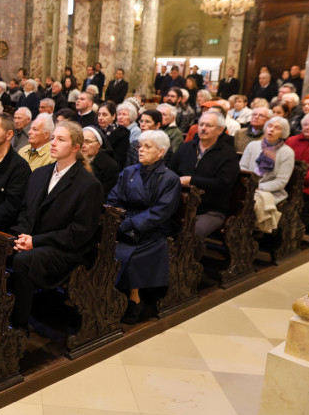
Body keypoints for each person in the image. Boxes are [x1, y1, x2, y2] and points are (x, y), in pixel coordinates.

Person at [9, 120, 104, 329]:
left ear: (76, 147)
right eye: (53, 138)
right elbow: (26, 211)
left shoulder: (88, 185)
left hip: (66, 250)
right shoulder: (40, 174)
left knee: (23, 261)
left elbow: (79, 232)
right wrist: (21, 236)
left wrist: (35, 241)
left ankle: (19, 326)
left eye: (61, 139)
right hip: (35, 241)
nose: (53, 143)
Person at [106, 130, 181, 324]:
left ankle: (134, 298)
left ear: (160, 152)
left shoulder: (169, 178)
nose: (141, 150)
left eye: (148, 147)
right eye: (140, 146)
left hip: (152, 228)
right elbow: (114, 199)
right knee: (102, 248)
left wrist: (129, 224)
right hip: (124, 222)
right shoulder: (129, 172)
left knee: (128, 255)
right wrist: (119, 220)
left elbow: (161, 211)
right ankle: (105, 294)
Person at [169, 111, 241, 259]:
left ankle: (187, 270)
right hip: (179, 203)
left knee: (192, 232)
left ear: (220, 130)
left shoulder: (227, 154)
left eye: (209, 125)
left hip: (211, 209)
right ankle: (164, 266)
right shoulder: (186, 148)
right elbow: (170, 172)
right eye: (201, 124)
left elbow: (223, 184)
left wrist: (191, 180)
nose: (203, 128)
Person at [239, 116, 295, 233]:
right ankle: (237, 229)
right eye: (269, 126)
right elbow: (242, 167)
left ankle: (247, 231)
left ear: (283, 133)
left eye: (277, 128)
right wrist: (248, 185)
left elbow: (281, 181)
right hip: (247, 186)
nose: (272, 130)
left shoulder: (287, 152)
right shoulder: (253, 145)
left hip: (270, 191)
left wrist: (259, 187)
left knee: (252, 202)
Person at [82, 126, 119, 195]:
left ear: (98, 144)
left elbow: (104, 194)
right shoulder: (75, 161)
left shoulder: (110, 166)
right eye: (81, 141)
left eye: (88, 142)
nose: (83, 145)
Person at [99, 101, 129, 166]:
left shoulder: (121, 134)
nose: (100, 118)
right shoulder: (96, 131)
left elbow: (119, 161)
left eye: (104, 115)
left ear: (113, 117)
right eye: (99, 114)